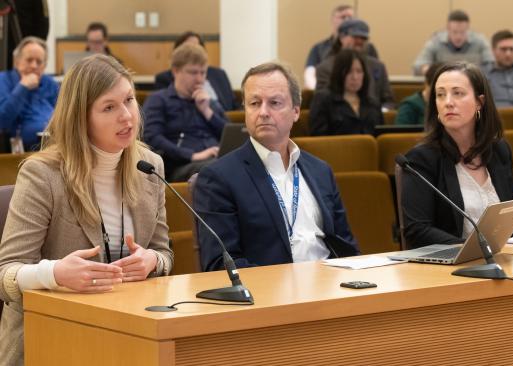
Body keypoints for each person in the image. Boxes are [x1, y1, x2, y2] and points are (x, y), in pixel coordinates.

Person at [0, 54, 172, 366]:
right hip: (52, 350)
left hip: (127, 340)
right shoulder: (43, 175)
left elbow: (164, 252)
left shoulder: (149, 167)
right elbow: (6, 274)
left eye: (128, 99)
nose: (126, 116)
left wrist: (152, 261)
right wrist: (54, 274)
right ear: (82, 118)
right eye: (108, 107)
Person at [194, 62, 359, 271]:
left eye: (274, 103)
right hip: (271, 294)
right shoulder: (219, 178)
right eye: (254, 103)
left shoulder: (320, 171)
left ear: (296, 112)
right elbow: (221, 264)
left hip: (330, 288)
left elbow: (347, 248)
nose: (263, 112)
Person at [401, 61, 513, 248]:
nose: (448, 102)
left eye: (457, 93)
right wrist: (473, 249)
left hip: (503, 260)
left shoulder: (499, 150)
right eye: (440, 95)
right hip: (447, 269)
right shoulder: (422, 159)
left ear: (479, 102)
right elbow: (417, 230)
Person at [143, 43, 228, 182]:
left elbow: (229, 135)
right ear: (175, 71)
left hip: (216, 160)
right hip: (181, 165)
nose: (200, 79)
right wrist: (192, 155)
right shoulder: (158, 100)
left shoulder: (208, 102)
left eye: (203, 73)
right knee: (216, 168)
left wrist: (207, 112)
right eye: (193, 72)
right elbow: (152, 138)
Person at [315, 19, 394, 109]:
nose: (360, 41)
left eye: (363, 38)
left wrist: (380, 113)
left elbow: (389, 101)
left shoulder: (378, 66)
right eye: (355, 37)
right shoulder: (325, 68)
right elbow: (322, 102)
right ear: (341, 38)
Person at [154, 31, 238, 111]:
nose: (194, 53)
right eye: (188, 49)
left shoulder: (219, 74)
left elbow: (235, 106)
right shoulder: (164, 80)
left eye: (202, 73)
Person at [0, 36, 58, 151]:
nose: (34, 66)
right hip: (18, 151)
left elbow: (64, 114)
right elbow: (2, 121)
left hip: (52, 147)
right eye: (29, 60)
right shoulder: (3, 80)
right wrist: (22, 87)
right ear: (17, 62)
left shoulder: (50, 83)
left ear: (44, 66)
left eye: (39, 62)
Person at [303, 4, 379, 90]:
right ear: (333, 20)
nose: (347, 20)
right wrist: (316, 90)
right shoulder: (319, 48)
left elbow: (377, 74)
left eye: (350, 17)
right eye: (343, 17)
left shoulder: (368, 48)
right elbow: (309, 74)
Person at [309, 49, 383, 136]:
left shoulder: (372, 103)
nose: (355, 77)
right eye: (349, 71)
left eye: (359, 71)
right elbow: (317, 138)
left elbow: (380, 136)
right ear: (339, 72)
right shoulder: (323, 100)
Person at [412, 10, 493, 76]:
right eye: (454, 32)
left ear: (468, 28)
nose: (458, 37)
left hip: (473, 83)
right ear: (447, 28)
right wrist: (433, 72)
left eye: (462, 32)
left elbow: (491, 65)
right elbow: (418, 67)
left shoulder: (480, 41)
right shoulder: (435, 41)